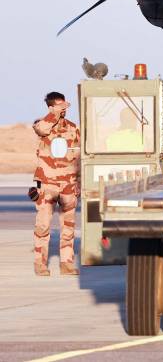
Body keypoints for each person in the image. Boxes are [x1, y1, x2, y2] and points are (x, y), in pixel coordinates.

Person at [31, 91, 80, 276]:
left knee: (68, 226)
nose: (63, 110)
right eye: (59, 106)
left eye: (64, 105)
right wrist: (54, 113)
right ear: (51, 107)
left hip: (68, 182)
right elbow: (42, 128)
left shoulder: (73, 128)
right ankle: (40, 263)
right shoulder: (42, 125)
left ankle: (67, 263)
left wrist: (79, 181)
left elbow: (78, 156)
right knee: (43, 225)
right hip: (47, 183)